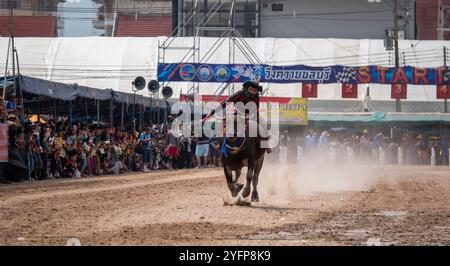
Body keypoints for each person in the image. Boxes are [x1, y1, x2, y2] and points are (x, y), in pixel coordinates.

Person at [203, 80, 272, 153]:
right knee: (224, 123)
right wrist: (212, 112)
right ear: (246, 88)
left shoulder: (256, 97)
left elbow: (256, 109)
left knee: (264, 125)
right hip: (238, 114)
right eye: (251, 89)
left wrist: (248, 116)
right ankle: (219, 143)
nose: (252, 92)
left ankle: (266, 146)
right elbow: (225, 103)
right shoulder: (239, 94)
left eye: (254, 90)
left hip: (253, 115)